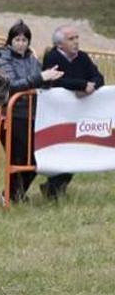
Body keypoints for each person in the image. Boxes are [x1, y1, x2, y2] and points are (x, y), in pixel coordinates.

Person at [0, 20, 64, 203]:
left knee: (34, 161)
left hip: (33, 116)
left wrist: (50, 79)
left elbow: (39, 80)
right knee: (17, 159)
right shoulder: (2, 59)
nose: (21, 43)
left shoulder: (33, 60)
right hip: (11, 116)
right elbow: (11, 85)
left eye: (24, 40)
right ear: (10, 41)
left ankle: (15, 195)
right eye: (17, 39)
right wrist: (40, 77)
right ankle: (10, 196)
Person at [39, 24, 105, 200]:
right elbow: (55, 80)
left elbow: (98, 77)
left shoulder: (82, 57)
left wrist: (91, 87)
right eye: (71, 39)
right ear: (60, 44)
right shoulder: (52, 57)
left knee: (77, 150)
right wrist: (82, 85)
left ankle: (54, 187)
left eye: (77, 38)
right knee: (62, 150)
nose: (76, 42)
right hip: (57, 115)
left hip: (80, 115)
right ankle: (53, 187)